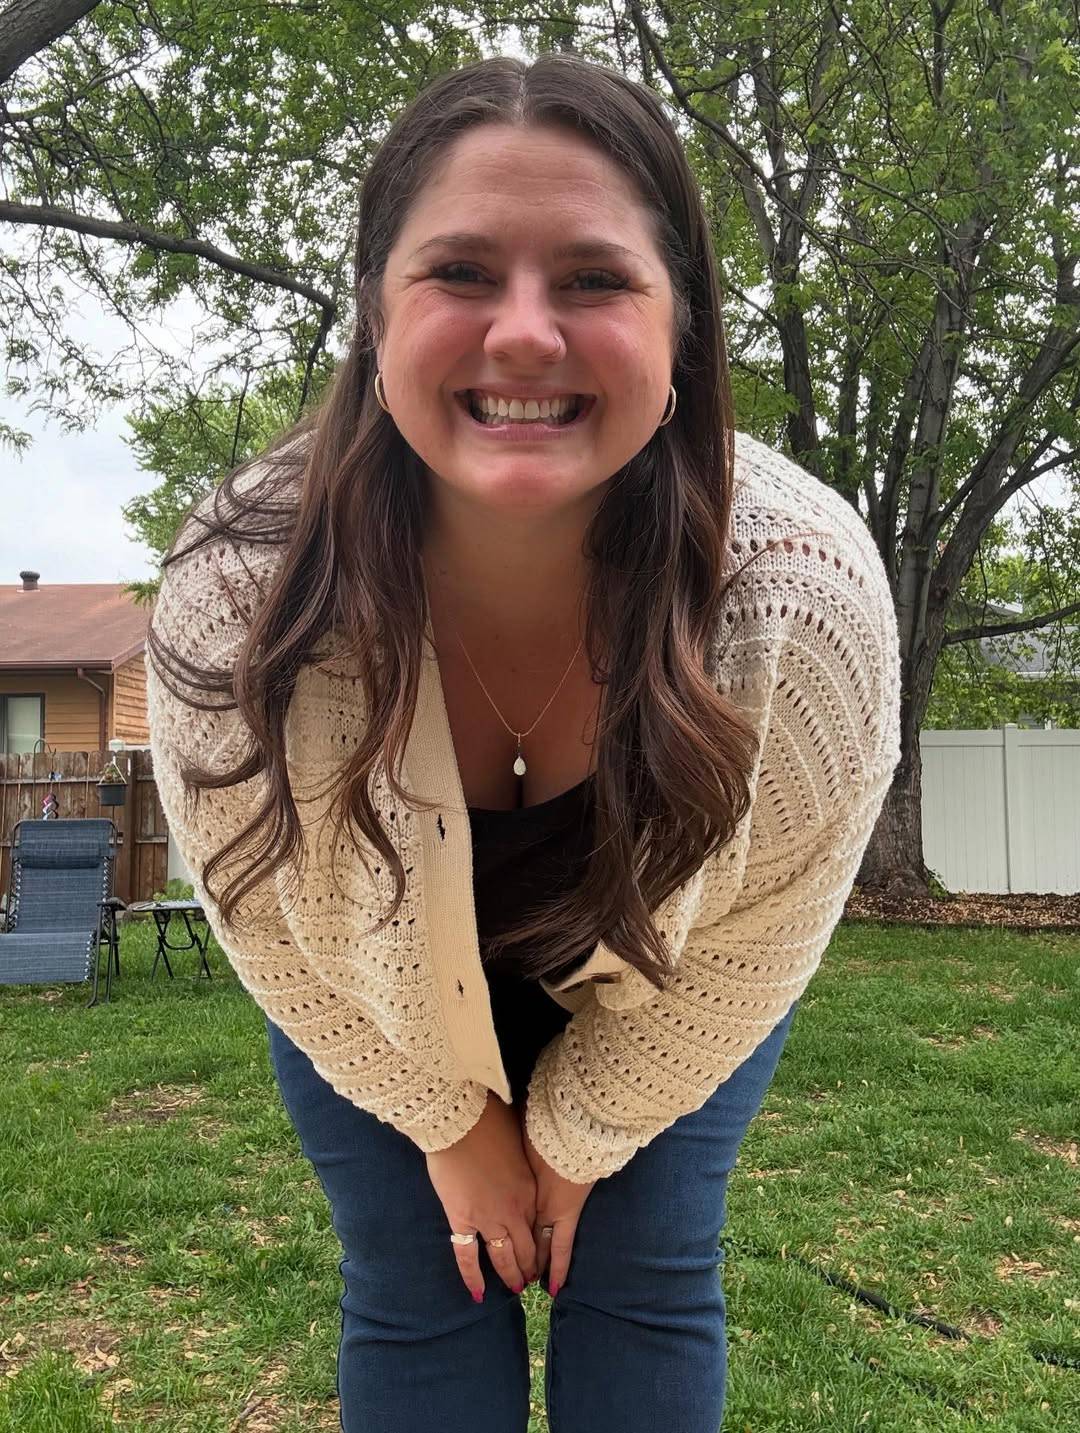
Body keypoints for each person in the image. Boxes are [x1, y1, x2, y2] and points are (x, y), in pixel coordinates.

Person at [146, 52, 901, 1433]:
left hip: (678, 986)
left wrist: (574, 1139)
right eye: (463, 272)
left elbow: (763, 931)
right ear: (373, 312)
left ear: (683, 326)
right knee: (421, 1283)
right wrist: (451, 1127)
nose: (527, 335)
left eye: (597, 279)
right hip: (361, 989)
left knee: (644, 1274)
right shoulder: (240, 591)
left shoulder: (807, 598)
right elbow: (262, 914)